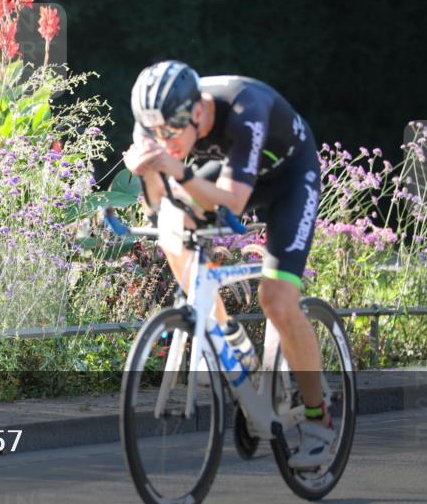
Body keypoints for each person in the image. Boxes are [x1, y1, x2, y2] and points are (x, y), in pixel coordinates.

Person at [124, 60, 332, 470]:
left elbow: (233, 200)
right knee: (172, 226)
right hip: (234, 172)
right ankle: (227, 334)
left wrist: (174, 169)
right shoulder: (153, 122)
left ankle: (317, 418)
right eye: (155, 133)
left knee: (276, 300)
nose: (162, 140)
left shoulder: (244, 107)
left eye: (171, 132)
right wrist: (147, 172)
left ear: (197, 113)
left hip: (290, 177)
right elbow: (155, 206)